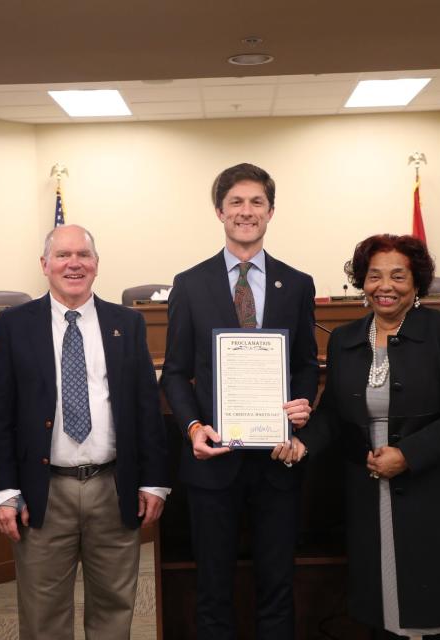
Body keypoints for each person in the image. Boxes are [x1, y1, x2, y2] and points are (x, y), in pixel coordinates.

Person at [280, 234, 440, 639]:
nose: (385, 286)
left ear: (416, 282)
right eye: (374, 276)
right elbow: (332, 414)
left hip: (436, 484)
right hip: (370, 492)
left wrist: (409, 455)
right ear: (361, 282)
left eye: (398, 276)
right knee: (383, 608)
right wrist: (302, 443)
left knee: (439, 609)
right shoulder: (346, 339)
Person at [0, 224, 169, 639]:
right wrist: (3, 491)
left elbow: (145, 407)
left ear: (97, 265)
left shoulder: (127, 323)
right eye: (63, 255)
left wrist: (154, 481)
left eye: (83, 255)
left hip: (113, 487)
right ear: (45, 264)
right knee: (43, 615)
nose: (74, 264)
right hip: (42, 491)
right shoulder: (14, 325)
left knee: (115, 609)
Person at [160, 162, 319, 638]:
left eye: (256, 203)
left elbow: (307, 365)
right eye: (236, 202)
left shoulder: (297, 282)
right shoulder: (190, 284)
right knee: (212, 585)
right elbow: (174, 373)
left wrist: (304, 403)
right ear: (219, 211)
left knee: (277, 582)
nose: (246, 212)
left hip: (278, 458)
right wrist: (192, 428)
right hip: (214, 459)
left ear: (271, 211)